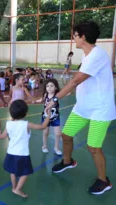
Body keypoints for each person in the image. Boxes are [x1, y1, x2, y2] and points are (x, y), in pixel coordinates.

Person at [46, 21, 115, 195]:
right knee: (66, 135)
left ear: (82, 37)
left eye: (75, 35)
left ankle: (103, 181)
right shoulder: (87, 55)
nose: (73, 38)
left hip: (100, 109)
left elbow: (76, 80)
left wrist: (55, 98)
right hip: (83, 107)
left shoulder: (97, 55)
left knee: (93, 148)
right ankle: (68, 161)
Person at [0, 100, 51, 198]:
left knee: (12, 171)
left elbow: (2, 136)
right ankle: (17, 189)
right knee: (25, 172)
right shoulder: (27, 124)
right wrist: (48, 116)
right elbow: (43, 126)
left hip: (10, 153)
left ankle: (14, 187)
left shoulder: (9, 124)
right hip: (22, 154)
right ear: (26, 113)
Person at [36, 79, 62, 155]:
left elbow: (64, 94)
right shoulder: (45, 95)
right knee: (45, 132)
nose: (49, 88)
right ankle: (44, 146)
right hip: (45, 117)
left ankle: (56, 147)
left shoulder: (57, 96)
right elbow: (42, 100)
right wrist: (36, 101)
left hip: (55, 117)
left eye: (51, 86)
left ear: (56, 87)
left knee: (57, 134)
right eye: (47, 86)